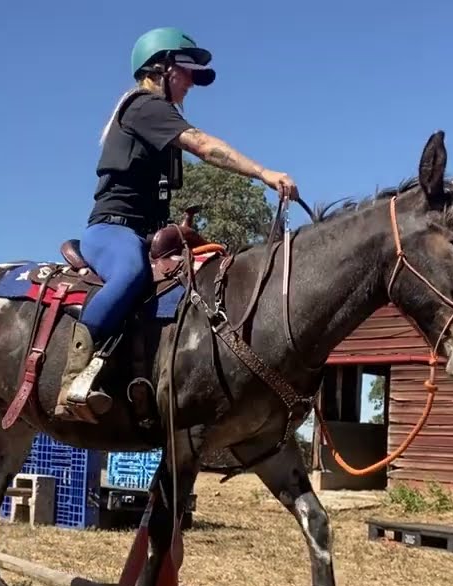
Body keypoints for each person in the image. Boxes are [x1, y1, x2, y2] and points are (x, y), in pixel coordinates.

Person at [55, 26, 300, 422]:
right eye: (186, 72)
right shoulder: (144, 107)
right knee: (132, 273)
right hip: (111, 229)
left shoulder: (160, 118)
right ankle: (71, 381)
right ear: (161, 68)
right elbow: (204, 146)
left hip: (147, 232)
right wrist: (263, 172)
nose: (191, 83)